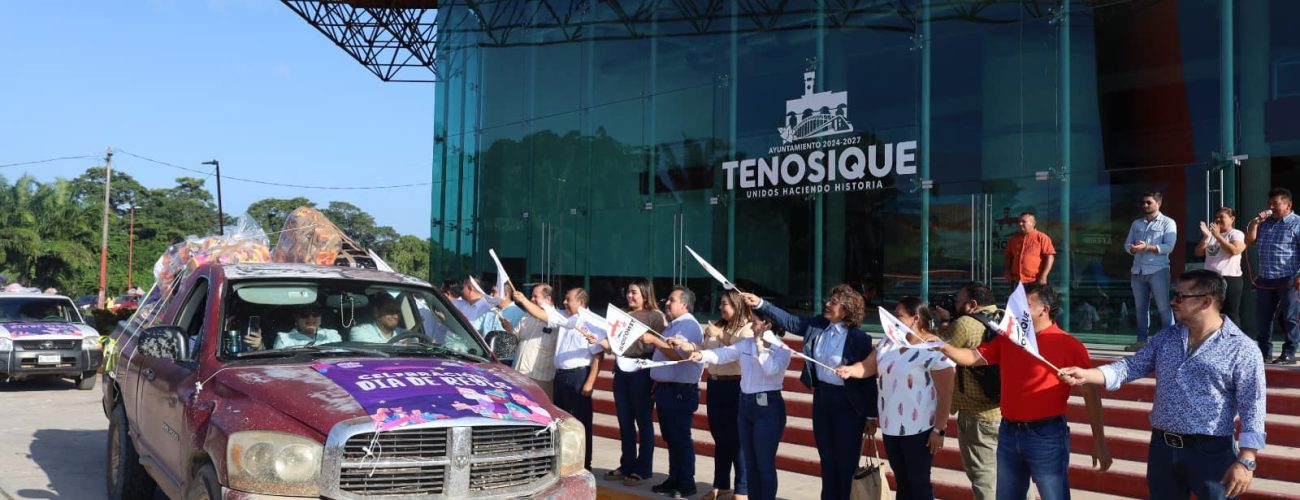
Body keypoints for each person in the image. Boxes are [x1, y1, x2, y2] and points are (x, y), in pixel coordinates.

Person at [1059, 270, 1267, 499]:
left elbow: (1253, 406)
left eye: (1180, 296)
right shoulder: (1167, 337)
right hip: (1163, 449)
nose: (1172, 301)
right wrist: (1087, 374)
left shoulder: (1242, 348)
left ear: (1207, 301)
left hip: (1211, 452)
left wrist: (1247, 459)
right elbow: (1131, 367)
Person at [927, 285, 1112, 500]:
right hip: (1008, 432)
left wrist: (1099, 440)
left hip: (1046, 435)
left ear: (1044, 309)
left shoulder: (1069, 345)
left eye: (1027, 305)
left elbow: (1091, 394)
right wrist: (943, 346)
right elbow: (971, 357)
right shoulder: (1010, 339)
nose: (1017, 310)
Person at [740, 285, 878, 500]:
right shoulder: (818, 326)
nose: (827, 304)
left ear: (847, 309)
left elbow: (868, 379)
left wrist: (871, 414)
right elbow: (791, 322)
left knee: (846, 462)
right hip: (823, 399)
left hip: (848, 405)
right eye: (829, 300)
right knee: (827, 459)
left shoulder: (859, 338)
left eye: (833, 302)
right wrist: (761, 304)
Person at [835, 297, 955, 500]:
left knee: (918, 483)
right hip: (891, 426)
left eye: (899, 316)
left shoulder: (933, 349)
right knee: (902, 481)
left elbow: (946, 393)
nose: (893, 320)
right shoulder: (888, 342)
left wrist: (939, 430)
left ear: (915, 319)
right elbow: (867, 367)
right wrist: (849, 370)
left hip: (920, 429)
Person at [678, 315, 792, 500]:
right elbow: (724, 354)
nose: (750, 325)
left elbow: (770, 369)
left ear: (767, 325)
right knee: (750, 462)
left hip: (768, 407)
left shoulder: (782, 349)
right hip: (746, 406)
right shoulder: (745, 344)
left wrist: (759, 344)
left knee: (764, 464)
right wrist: (702, 355)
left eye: (755, 322)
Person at [931, 282, 1003, 500]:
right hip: (1002, 411)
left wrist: (944, 320)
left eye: (958, 301)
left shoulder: (964, 325)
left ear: (972, 304)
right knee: (1012, 478)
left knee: (984, 480)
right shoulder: (1003, 317)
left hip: (976, 418)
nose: (954, 304)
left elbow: (935, 347)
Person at [592, 279, 667, 487]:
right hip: (621, 372)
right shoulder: (621, 315)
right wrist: (598, 342)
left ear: (645, 293)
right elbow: (611, 344)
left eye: (634, 292)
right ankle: (627, 464)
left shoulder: (655, 317)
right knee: (625, 422)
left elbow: (661, 349)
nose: (629, 296)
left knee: (643, 422)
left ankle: (642, 469)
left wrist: (656, 376)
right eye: (628, 292)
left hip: (642, 373)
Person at [647, 287, 705, 498]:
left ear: (685, 305)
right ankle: (674, 478)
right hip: (666, 389)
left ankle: (687, 482)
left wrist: (654, 341)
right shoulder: (673, 325)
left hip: (680, 390)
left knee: (680, 437)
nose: (667, 303)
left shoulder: (689, 326)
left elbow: (679, 356)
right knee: (671, 438)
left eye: (672, 300)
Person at [697, 290, 753, 500]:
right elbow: (705, 349)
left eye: (725, 304)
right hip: (715, 385)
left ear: (737, 305)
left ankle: (743, 489)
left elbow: (739, 351)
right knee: (720, 437)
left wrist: (719, 335)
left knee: (737, 439)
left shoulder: (747, 328)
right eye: (720, 304)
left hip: (736, 385)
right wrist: (688, 346)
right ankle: (721, 484)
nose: (721, 308)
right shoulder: (719, 326)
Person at [1244, 187, 1300, 364]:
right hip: (1265, 278)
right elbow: (1249, 241)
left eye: (1276, 204)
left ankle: (1289, 352)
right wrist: (1254, 223)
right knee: (1263, 318)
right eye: (1270, 204)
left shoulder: (1297, 223)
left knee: (1290, 317)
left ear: (1288, 205)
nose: (1271, 207)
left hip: (1289, 278)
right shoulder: (1264, 223)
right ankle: (1264, 352)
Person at [551, 288, 604, 470]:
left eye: (568, 299)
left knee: (580, 423)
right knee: (561, 423)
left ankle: (583, 464)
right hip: (561, 377)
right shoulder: (566, 319)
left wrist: (590, 382)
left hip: (578, 376)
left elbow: (598, 355)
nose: (564, 302)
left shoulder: (591, 322)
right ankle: (564, 462)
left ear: (581, 302)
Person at [1124, 191, 1177, 352]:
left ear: (1158, 203)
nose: (1145, 205)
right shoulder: (1136, 224)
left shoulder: (1168, 223)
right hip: (1138, 271)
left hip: (1158, 270)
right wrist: (1132, 249)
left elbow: (1169, 247)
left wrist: (1146, 247)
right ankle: (1141, 342)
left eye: (1149, 202)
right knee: (1140, 308)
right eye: (1143, 202)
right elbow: (1127, 244)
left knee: (1163, 308)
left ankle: (1170, 344)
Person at [509, 283, 565, 397]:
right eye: (531, 296)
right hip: (518, 372)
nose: (532, 299)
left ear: (548, 299)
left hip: (540, 377)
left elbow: (542, 315)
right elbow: (516, 337)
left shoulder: (557, 317)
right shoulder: (527, 316)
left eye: (535, 296)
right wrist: (509, 328)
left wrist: (523, 300)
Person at [1196, 207, 1245, 327]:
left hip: (1230, 278)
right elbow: (1198, 252)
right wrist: (1206, 237)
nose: (1218, 219)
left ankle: (1233, 342)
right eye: (1216, 217)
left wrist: (1217, 236)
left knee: (1230, 313)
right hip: (1210, 278)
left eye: (1221, 217)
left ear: (1232, 219)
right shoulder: (1211, 235)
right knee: (1210, 312)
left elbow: (1234, 250)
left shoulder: (1235, 233)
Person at [1003, 212, 1056, 285]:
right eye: (1019, 221)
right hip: (1016, 280)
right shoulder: (1014, 239)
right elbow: (1008, 256)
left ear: (1033, 223)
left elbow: (1050, 257)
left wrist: (1044, 276)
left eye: (1023, 221)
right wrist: (1007, 271)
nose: (1020, 224)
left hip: (1035, 281)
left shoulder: (1042, 238)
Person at [273, 305, 342, 348]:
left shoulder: (332, 334)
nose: (310, 318)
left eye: (315, 313)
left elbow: (341, 358)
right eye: (304, 314)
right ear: (296, 318)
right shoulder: (284, 338)